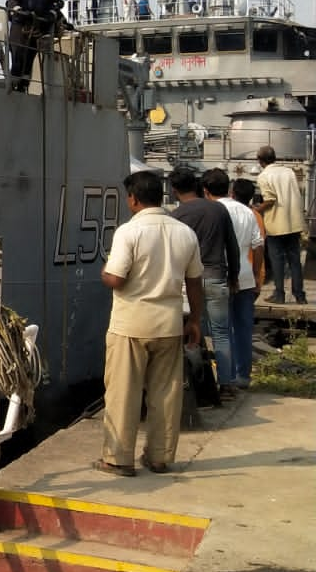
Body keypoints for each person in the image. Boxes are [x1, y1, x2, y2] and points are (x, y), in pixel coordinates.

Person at [99, 169, 204, 476]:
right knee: (166, 394)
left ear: (132, 199)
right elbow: (195, 282)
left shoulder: (129, 232)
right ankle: (159, 457)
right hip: (169, 324)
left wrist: (104, 272)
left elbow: (116, 278)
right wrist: (195, 319)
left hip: (130, 324)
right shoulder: (184, 233)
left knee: (123, 393)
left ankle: (118, 458)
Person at [169, 166, 239, 393]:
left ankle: (192, 385)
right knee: (221, 333)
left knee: (188, 330)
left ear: (173, 190)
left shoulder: (177, 216)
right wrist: (234, 277)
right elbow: (232, 246)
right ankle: (226, 384)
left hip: (188, 282)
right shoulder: (218, 209)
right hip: (217, 277)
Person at [210, 171, 265, 388]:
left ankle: (228, 376)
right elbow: (258, 246)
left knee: (223, 329)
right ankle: (244, 375)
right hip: (245, 275)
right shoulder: (247, 211)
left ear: (206, 190)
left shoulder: (214, 211)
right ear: (229, 189)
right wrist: (256, 275)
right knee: (243, 328)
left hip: (221, 275)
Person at [255, 146, 307, 304]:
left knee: (277, 261)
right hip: (293, 223)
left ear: (260, 160)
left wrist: (257, 209)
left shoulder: (264, 176)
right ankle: (300, 296)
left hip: (277, 225)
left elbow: (270, 200)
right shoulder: (288, 172)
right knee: (295, 261)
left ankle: (279, 294)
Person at [5, 0, 53, 92]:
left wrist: (50, 16)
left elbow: (47, 8)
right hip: (19, 29)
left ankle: (23, 85)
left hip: (32, 33)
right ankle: (13, 85)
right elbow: (12, 3)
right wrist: (20, 11)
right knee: (18, 57)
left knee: (29, 60)